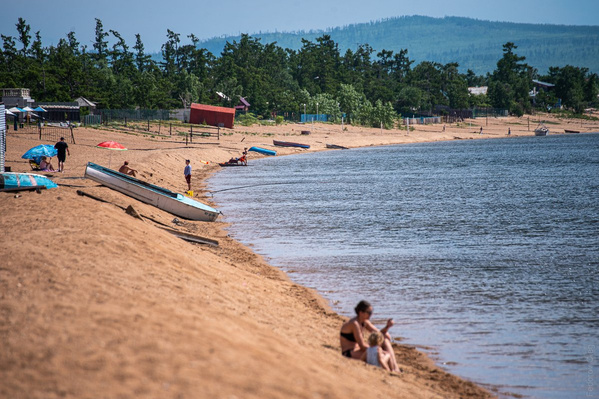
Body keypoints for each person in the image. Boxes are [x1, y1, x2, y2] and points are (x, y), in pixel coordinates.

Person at [339, 300, 400, 372]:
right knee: (382, 355)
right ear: (361, 313)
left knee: (385, 337)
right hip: (350, 353)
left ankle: (395, 368)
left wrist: (387, 326)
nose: (371, 315)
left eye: (371, 312)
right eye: (369, 313)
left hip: (360, 350)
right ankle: (390, 368)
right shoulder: (354, 324)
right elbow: (362, 345)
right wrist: (379, 351)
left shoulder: (365, 322)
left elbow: (379, 334)